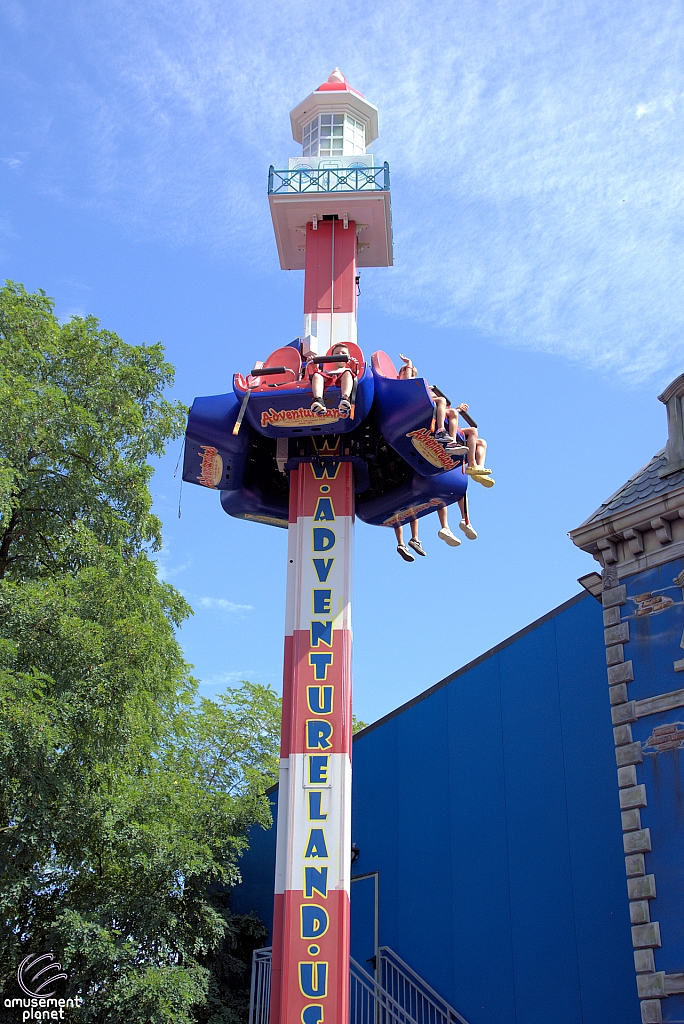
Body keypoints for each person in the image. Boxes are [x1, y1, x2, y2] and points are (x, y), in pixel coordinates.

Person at [310, 343, 357, 417]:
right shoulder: (327, 372)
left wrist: (353, 367)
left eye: (343, 353)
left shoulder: (348, 370)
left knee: (347, 373)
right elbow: (317, 375)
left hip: (344, 378)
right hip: (329, 380)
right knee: (317, 375)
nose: (340, 355)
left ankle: (345, 399)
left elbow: (356, 375)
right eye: (337, 353)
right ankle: (318, 400)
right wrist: (314, 367)